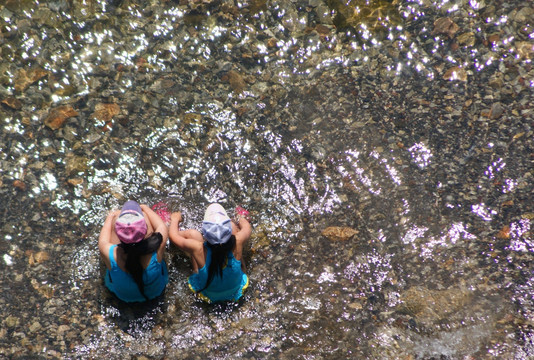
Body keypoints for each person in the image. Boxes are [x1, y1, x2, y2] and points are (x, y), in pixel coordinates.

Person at [169, 203, 252, 303]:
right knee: (234, 232)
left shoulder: (198, 249)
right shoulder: (238, 241)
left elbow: (174, 237)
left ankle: (166, 225)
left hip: (208, 294)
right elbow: (247, 228)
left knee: (193, 234)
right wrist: (241, 217)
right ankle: (241, 264)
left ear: (205, 233)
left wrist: (175, 220)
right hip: (235, 290)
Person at [98, 200, 169, 303]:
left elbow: (103, 240)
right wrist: (144, 208)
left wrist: (111, 216)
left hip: (122, 297)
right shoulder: (157, 247)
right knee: (146, 216)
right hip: (156, 292)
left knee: (115, 219)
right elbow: (161, 226)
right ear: (143, 231)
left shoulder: (106, 251)